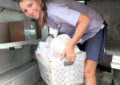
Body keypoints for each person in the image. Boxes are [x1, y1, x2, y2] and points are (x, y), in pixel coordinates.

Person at [18, 0, 107, 85]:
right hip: (81, 33)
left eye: (30, 5)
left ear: (39, 1)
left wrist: (70, 46)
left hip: (95, 29)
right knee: (74, 67)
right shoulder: (45, 15)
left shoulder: (53, 10)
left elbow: (85, 20)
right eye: (25, 10)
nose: (30, 11)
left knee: (88, 71)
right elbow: (61, 29)